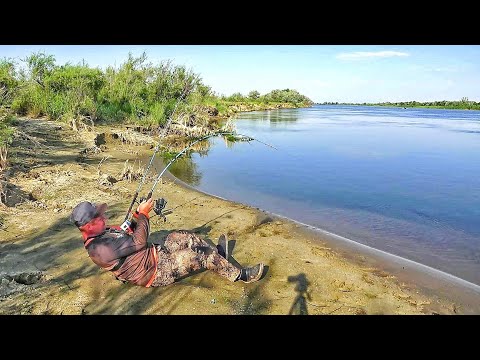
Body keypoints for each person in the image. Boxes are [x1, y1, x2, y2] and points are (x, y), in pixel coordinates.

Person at [70, 199, 265, 287]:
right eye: (98, 217)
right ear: (88, 226)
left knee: (182, 237)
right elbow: (138, 242)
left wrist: (137, 216)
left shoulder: (103, 231)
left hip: (154, 254)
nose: (103, 218)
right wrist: (145, 215)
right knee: (197, 255)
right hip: (154, 272)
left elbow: (128, 233)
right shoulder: (99, 250)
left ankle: (218, 258)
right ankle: (241, 275)